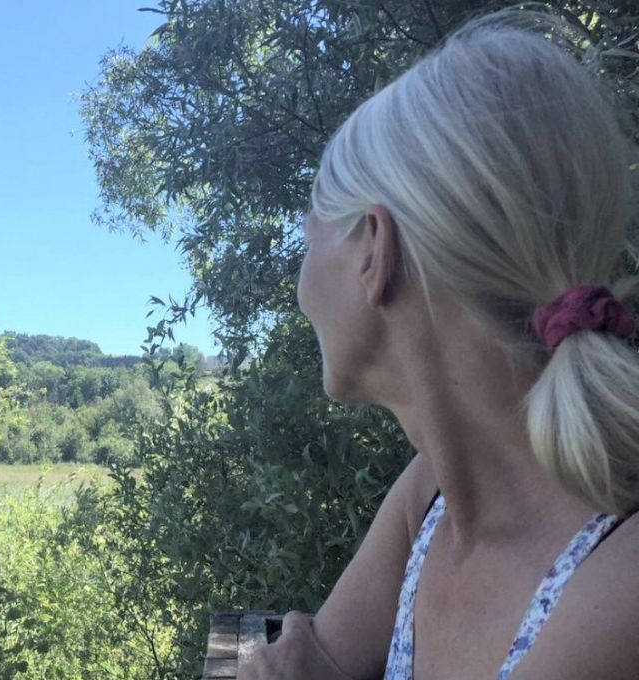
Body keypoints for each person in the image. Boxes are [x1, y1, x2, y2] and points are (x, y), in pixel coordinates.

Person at [238, 6, 639, 679]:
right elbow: (319, 661)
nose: (301, 289)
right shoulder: (433, 495)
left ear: (374, 251)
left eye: (308, 242)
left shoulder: (621, 589)